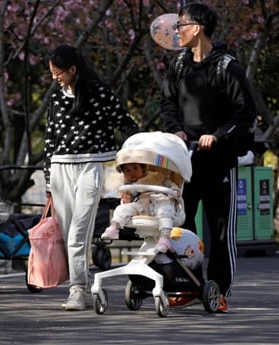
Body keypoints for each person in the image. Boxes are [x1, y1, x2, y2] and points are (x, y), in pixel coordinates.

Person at [159, 3, 256, 312]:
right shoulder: (177, 65)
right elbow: (168, 103)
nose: (177, 32)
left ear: (197, 28)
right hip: (184, 162)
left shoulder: (227, 67)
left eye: (181, 26)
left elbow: (246, 113)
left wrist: (218, 135)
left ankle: (218, 289)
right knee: (182, 225)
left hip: (219, 162)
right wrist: (175, 130)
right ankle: (188, 284)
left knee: (220, 230)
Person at [44, 44, 139, 311]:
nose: (55, 78)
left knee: (78, 233)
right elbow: (49, 140)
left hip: (91, 166)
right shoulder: (56, 98)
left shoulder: (101, 94)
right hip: (60, 167)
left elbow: (125, 123)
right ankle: (82, 288)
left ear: (73, 69)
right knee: (66, 235)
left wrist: (138, 151)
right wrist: (48, 180)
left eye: (58, 72)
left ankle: (76, 290)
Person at [100, 163, 182, 252]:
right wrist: (126, 198)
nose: (132, 173)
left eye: (135, 168)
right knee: (122, 209)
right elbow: (127, 201)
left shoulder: (158, 177)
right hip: (140, 207)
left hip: (159, 201)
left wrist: (175, 191)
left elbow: (172, 186)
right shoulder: (130, 186)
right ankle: (114, 227)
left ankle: (164, 237)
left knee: (165, 209)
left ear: (143, 168)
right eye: (127, 170)